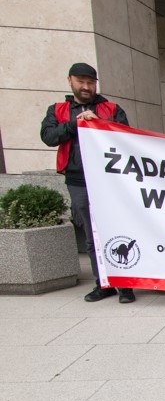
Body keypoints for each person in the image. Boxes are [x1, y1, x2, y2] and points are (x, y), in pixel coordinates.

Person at [40, 62, 135, 303]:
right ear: (70, 81)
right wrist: (75, 124)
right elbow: (49, 137)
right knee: (92, 234)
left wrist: (98, 123)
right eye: (81, 82)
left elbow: (126, 137)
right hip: (78, 179)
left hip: (110, 180)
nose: (85, 86)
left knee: (117, 228)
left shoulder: (111, 109)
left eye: (90, 82)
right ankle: (103, 283)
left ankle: (125, 284)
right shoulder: (58, 110)